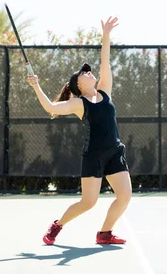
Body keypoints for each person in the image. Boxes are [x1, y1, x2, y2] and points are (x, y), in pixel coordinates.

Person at [27, 16, 131, 245]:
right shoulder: (78, 103)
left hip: (114, 151)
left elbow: (105, 61)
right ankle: (57, 225)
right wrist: (36, 85)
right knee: (88, 202)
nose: (90, 72)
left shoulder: (105, 91)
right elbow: (51, 107)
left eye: (89, 71)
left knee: (124, 196)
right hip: (93, 155)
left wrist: (105, 35)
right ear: (79, 84)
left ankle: (104, 233)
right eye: (85, 73)